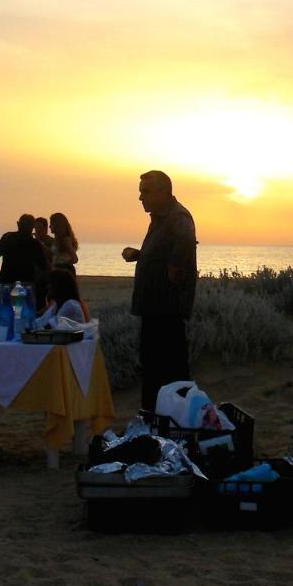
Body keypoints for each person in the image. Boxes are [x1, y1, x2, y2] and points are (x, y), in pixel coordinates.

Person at [122, 170, 197, 412]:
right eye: (140, 192)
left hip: (166, 312)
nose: (140, 197)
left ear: (164, 192)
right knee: (152, 369)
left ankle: (176, 422)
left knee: (171, 372)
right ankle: (152, 420)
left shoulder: (178, 217)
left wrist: (175, 268)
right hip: (153, 310)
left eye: (145, 192)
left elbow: (184, 243)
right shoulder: (161, 218)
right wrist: (141, 256)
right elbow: (164, 254)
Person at [0, 214, 47, 286]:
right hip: (26, 281)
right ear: (33, 227)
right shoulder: (34, 243)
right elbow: (42, 264)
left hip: (6, 280)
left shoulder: (7, 237)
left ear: (18, 224)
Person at [32, 217, 53, 312]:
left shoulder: (51, 241)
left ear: (45, 229)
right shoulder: (32, 242)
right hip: (36, 278)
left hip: (49, 278)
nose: (37, 230)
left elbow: (51, 255)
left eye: (39, 227)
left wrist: (39, 242)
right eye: (35, 227)